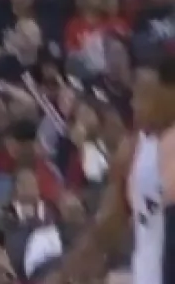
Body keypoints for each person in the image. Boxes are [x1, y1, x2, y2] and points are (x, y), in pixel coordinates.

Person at [43, 63, 175, 284]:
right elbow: (108, 223)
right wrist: (67, 272)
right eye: (134, 94)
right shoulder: (133, 150)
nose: (134, 104)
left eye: (145, 94)